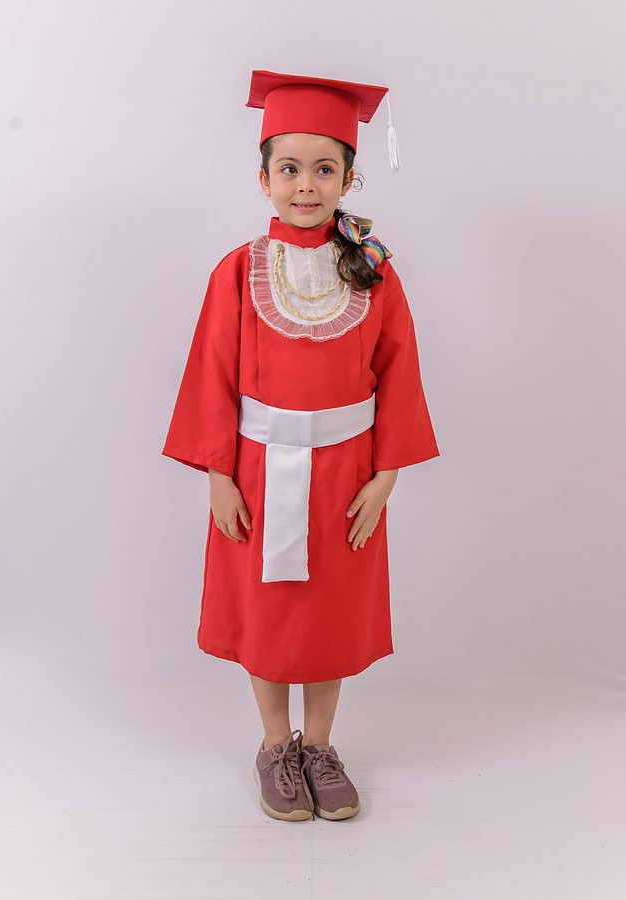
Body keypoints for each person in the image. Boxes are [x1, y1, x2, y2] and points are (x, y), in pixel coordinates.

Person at [161, 69, 440, 822]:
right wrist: (218, 473)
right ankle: (273, 745)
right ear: (264, 180)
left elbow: (400, 372)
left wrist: (386, 475)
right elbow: (211, 373)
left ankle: (319, 746)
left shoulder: (372, 274)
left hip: (345, 475)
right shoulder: (238, 271)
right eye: (289, 169)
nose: (306, 185)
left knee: (328, 610)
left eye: (324, 170)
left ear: (348, 178)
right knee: (268, 610)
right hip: (256, 471)